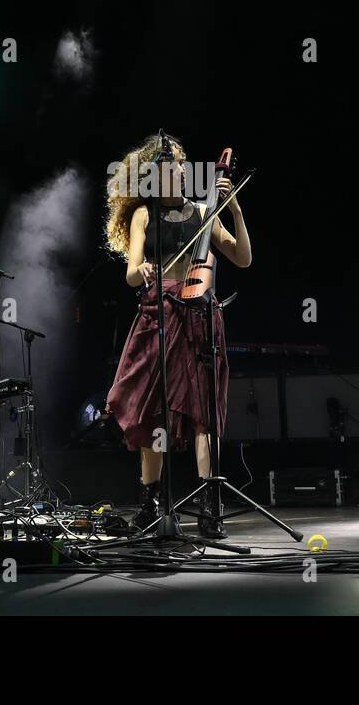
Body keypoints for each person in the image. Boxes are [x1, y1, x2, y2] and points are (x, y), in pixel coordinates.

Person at [104, 132, 252, 537]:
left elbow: (242, 257)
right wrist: (144, 271)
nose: (178, 174)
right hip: (158, 316)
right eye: (168, 170)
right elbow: (132, 271)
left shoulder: (205, 211)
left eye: (180, 169)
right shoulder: (143, 216)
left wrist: (234, 209)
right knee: (153, 410)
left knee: (205, 410)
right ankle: (150, 501)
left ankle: (209, 504)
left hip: (200, 314)